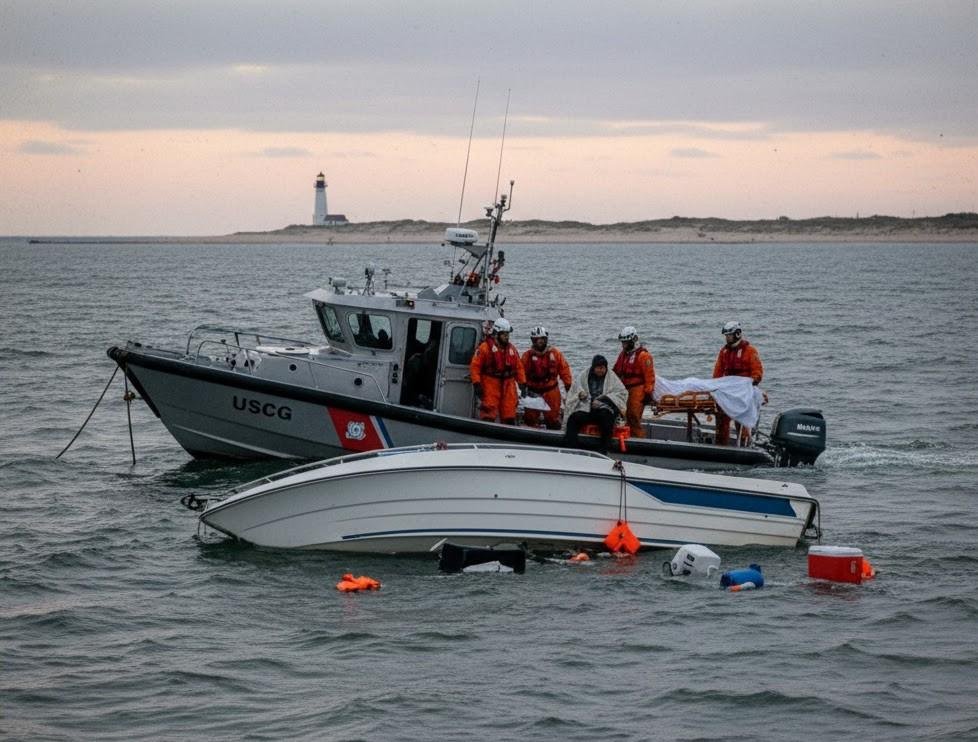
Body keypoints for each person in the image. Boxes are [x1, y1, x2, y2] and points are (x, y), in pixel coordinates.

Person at [712, 320, 764, 445]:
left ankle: (744, 444)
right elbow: (718, 372)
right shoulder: (724, 352)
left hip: (743, 393)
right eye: (726, 336)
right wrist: (714, 386)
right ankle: (721, 446)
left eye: (729, 335)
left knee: (742, 421)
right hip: (728, 391)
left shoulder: (750, 351)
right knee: (722, 419)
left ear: (737, 334)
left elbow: (757, 371)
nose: (727, 338)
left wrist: (752, 381)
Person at [563, 355, 628, 451]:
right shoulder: (584, 375)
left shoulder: (612, 377)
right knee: (573, 418)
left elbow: (622, 393)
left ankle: (604, 449)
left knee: (607, 419)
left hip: (604, 409)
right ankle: (571, 447)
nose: (600, 370)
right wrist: (581, 394)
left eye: (603, 368)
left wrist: (604, 399)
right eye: (598, 368)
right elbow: (575, 390)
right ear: (593, 367)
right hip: (587, 408)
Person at [469, 317, 526, 425]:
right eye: (504, 334)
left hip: (508, 385)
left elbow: (519, 367)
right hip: (490, 383)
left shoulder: (511, 349)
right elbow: (475, 366)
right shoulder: (485, 348)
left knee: (509, 414)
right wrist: (477, 383)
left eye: (508, 334)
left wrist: (522, 384)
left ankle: (507, 436)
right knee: (488, 412)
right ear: (497, 334)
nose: (507, 337)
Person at [520, 326, 573, 429]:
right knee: (530, 419)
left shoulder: (555, 354)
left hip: (551, 391)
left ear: (546, 339)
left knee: (553, 419)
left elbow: (564, 370)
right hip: (533, 391)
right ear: (533, 340)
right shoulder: (527, 356)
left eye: (542, 339)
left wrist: (568, 386)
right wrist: (522, 386)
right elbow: (520, 372)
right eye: (537, 339)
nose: (540, 342)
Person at [612, 326, 655, 437]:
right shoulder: (623, 355)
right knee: (624, 415)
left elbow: (649, 377)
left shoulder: (644, 356)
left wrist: (648, 393)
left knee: (633, 415)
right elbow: (616, 370)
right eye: (623, 342)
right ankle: (628, 436)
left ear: (633, 340)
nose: (623, 345)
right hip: (625, 389)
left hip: (638, 389)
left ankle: (639, 438)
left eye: (626, 342)